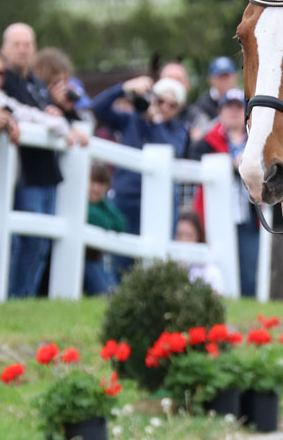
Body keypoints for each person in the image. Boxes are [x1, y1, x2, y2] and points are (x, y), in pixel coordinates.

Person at [0, 24, 88, 297]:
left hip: (47, 173)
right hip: (24, 174)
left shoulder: (36, 84)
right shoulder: (5, 81)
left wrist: (62, 110)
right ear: (4, 47)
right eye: (17, 43)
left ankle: (25, 297)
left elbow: (65, 120)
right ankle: (16, 297)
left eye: (27, 43)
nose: (23, 48)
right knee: (25, 241)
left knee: (40, 244)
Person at [90, 75, 190, 276]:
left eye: (172, 105)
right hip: (126, 198)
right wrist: (124, 87)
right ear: (152, 98)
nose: (165, 107)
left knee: (155, 264)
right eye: (161, 101)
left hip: (159, 204)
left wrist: (156, 121)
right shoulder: (130, 119)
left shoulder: (178, 130)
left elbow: (170, 150)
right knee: (121, 261)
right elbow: (97, 107)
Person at [189, 88, 259, 296]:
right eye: (229, 107)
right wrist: (230, 164)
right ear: (221, 111)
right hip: (214, 216)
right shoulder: (206, 141)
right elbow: (193, 163)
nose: (234, 112)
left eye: (239, 107)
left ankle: (248, 310)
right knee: (216, 266)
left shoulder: (256, 140)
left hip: (248, 214)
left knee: (248, 269)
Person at [84, 162, 126, 295]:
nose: (96, 188)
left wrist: (102, 204)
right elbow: (94, 218)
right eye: (92, 182)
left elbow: (121, 224)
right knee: (105, 292)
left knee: (112, 291)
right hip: (85, 261)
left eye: (101, 183)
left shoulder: (103, 206)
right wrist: (106, 220)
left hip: (96, 260)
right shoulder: (82, 205)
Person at [174, 211, 225, 293]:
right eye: (179, 234)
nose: (183, 240)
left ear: (198, 237)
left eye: (189, 235)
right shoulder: (168, 267)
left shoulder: (210, 271)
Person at [192, 56, 239, 137]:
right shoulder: (202, 104)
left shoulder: (245, 100)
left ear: (235, 77)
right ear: (210, 79)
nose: (224, 81)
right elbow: (197, 134)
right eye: (220, 76)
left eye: (227, 76)